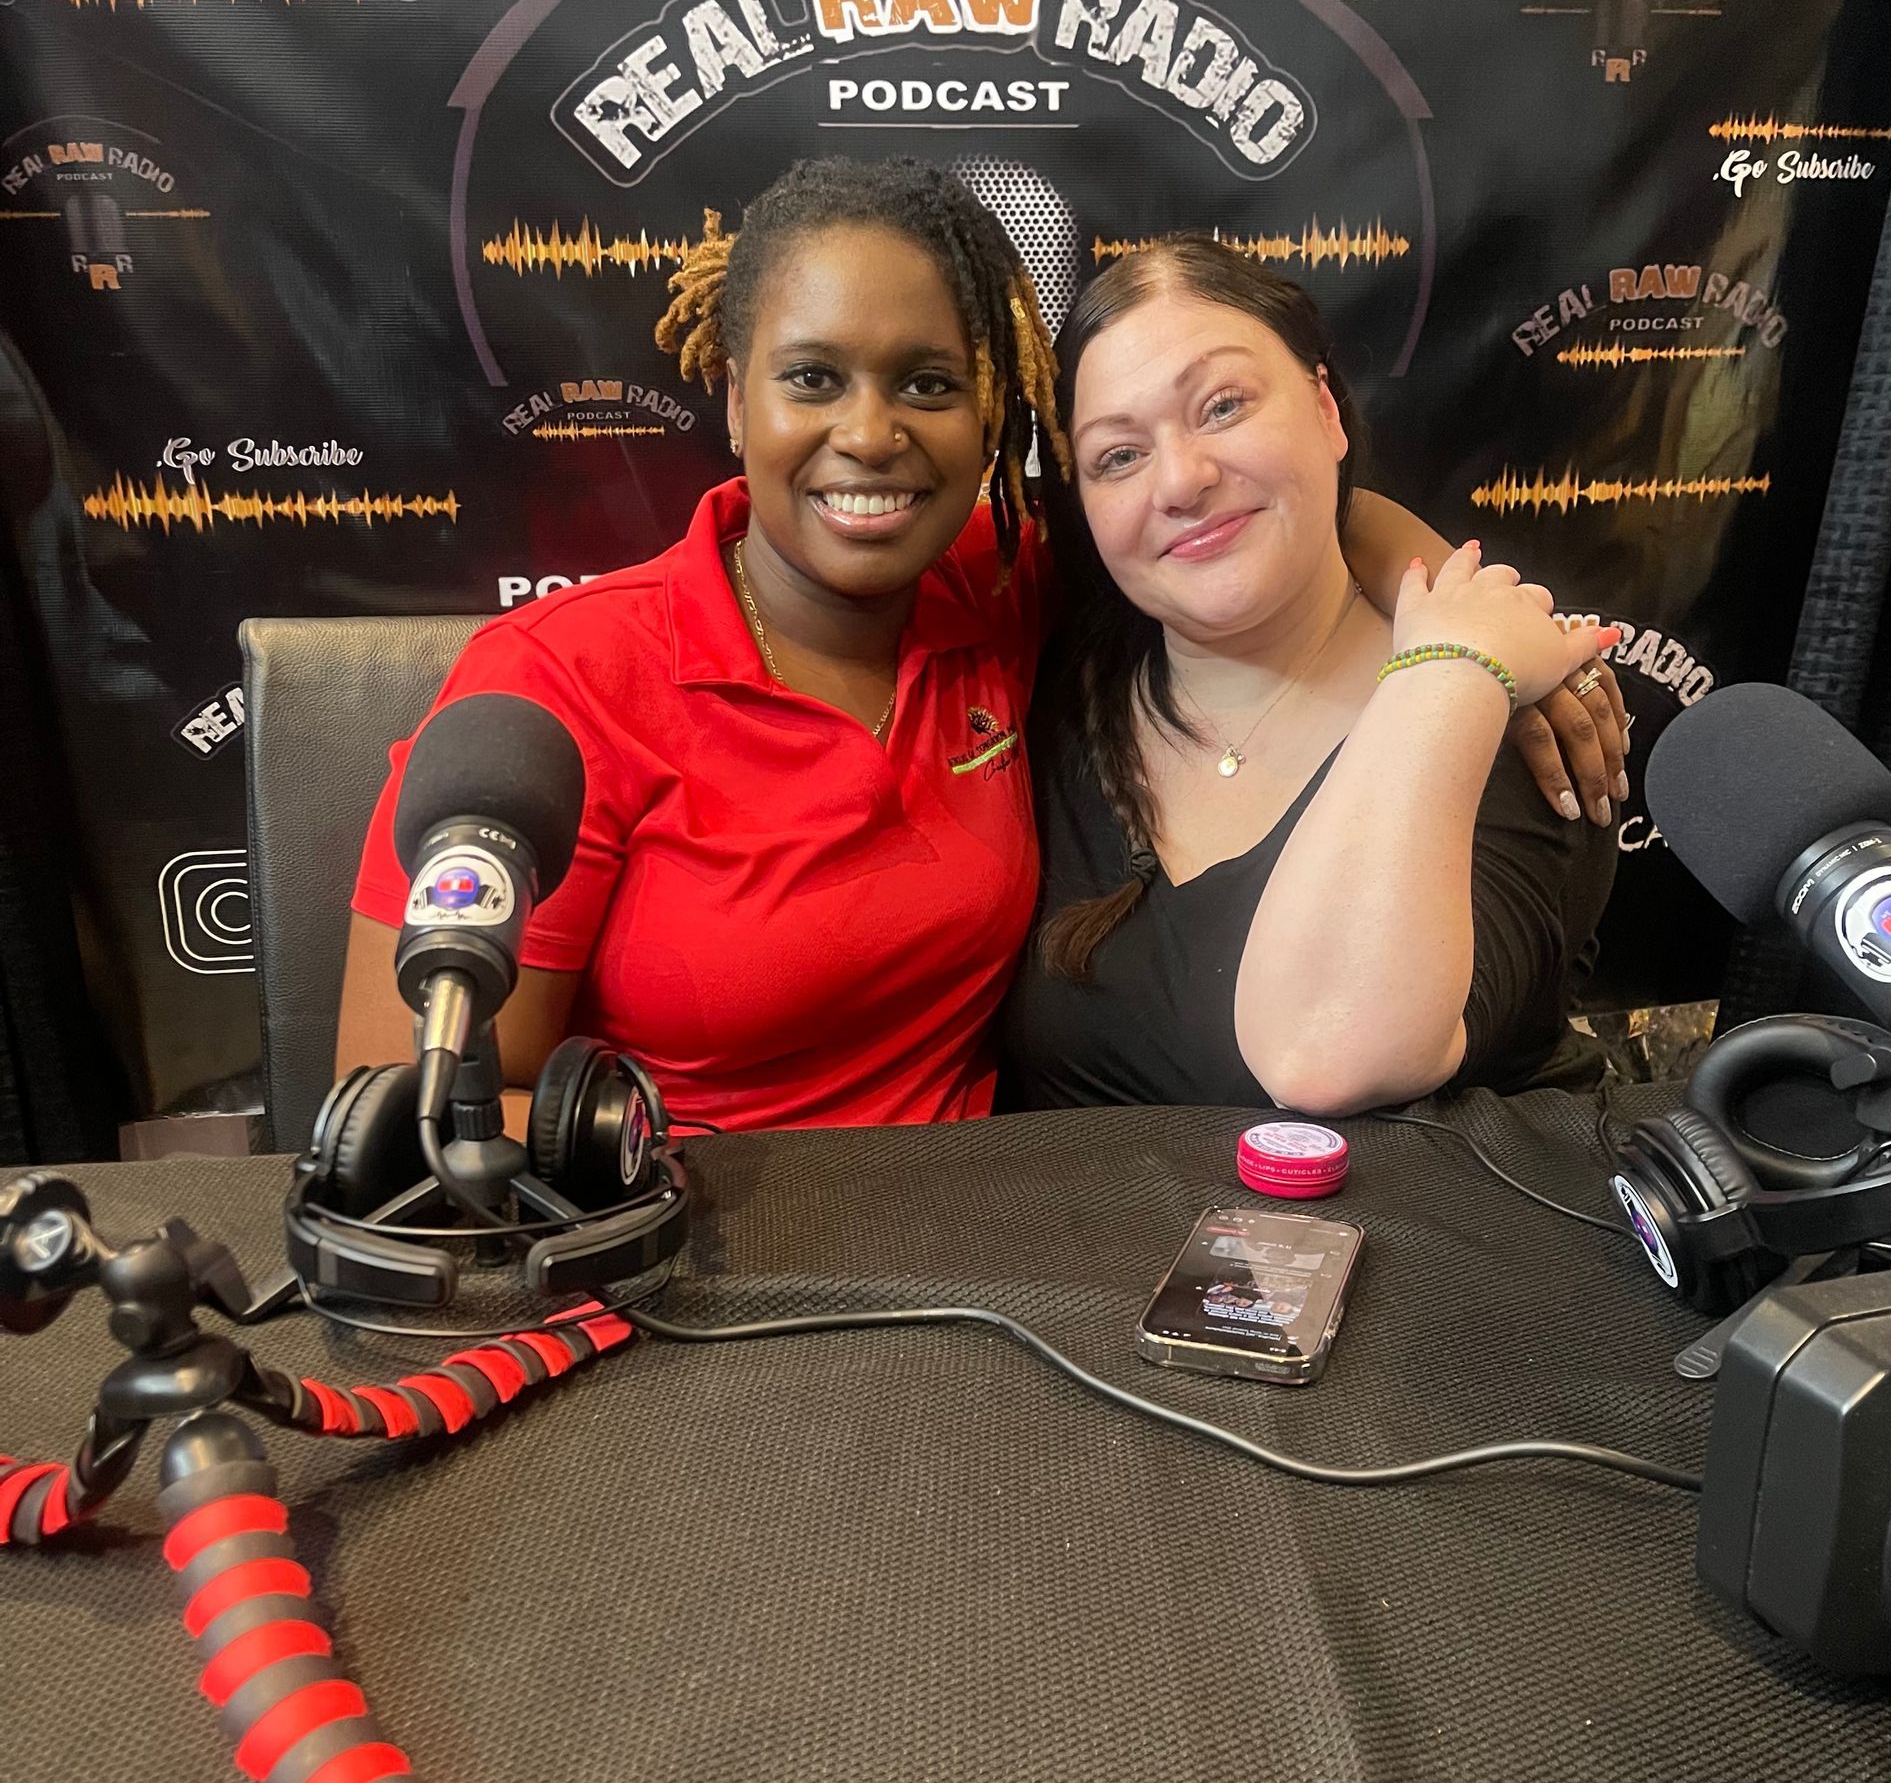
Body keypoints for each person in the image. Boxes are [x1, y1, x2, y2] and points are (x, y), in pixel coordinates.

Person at [339, 159, 1625, 1132]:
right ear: (733, 397)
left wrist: (1447, 622)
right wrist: (651, 1172)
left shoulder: (1001, 593)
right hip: (667, 1267)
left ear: (994, 419)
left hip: (995, 1267)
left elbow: (1247, 522)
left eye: (929, 384)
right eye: (812, 378)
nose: (871, 435)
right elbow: (406, 1107)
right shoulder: (562, 681)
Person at [999, 237, 1620, 1117]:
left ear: (1326, 409)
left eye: (1223, 406)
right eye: (1118, 456)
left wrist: (1450, 671)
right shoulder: (1053, 681)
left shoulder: (1499, 723)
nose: (1181, 480)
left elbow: (1332, 1054)